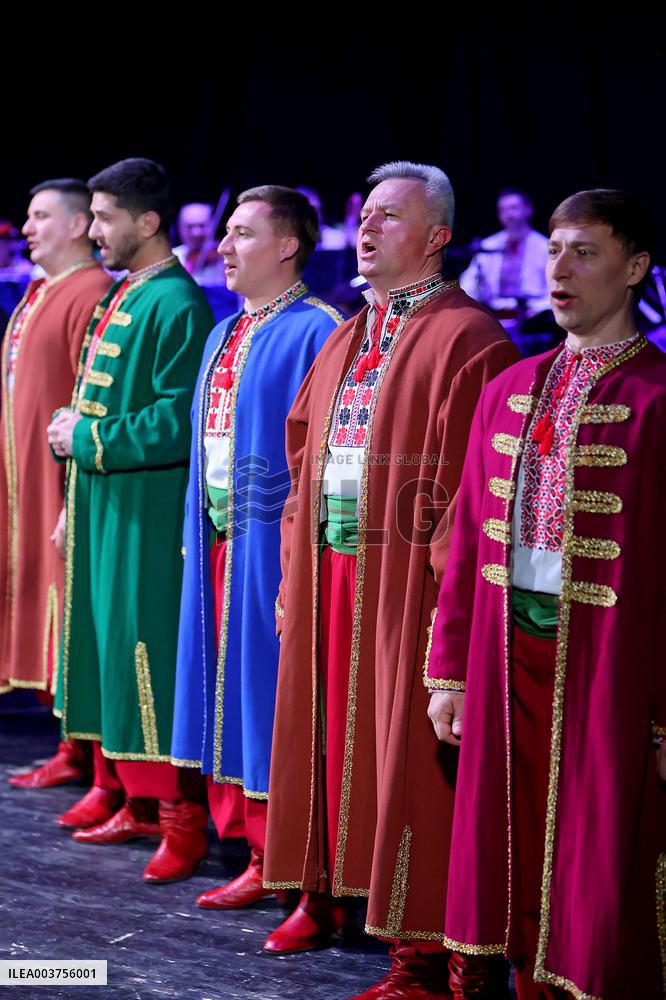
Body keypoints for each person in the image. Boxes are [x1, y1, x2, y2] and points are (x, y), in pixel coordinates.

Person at [262, 161, 517, 997]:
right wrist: (293, 572)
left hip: (408, 580)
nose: (367, 229)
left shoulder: (469, 337)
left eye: (391, 217)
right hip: (333, 566)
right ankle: (322, 888)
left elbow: (471, 497)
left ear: (438, 237)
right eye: (364, 215)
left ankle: (423, 947)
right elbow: (305, 458)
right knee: (323, 730)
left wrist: (453, 608)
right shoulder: (347, 333)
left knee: (404, 751)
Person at [427, 189, 666, 1000]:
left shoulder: (658, 400)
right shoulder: (513, 386)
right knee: (510, 834)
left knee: (601, 847)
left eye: (585, 253)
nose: (559, 270)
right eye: (555, 251)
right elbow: (467, 542)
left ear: (635, 268)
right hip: (506, 647)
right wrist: (450, 670)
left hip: (612, 662)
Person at [171, 185, 342, 910]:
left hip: (273, 544)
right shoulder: (221, 330)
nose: (224, 247)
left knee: (273, 698)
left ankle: (294, 861)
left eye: (242, 234)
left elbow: (321, 455)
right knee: (224, 689)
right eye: (226, 233)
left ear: (287, 246)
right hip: (219, 537)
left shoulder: (320, 328)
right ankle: (248, 843)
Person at [46, 159, 214, 883]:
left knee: (146, 651)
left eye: (107, 217)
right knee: (110, 645)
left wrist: (82, 439)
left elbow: (177, 419)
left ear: (148, 223)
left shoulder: (177, 302)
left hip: (147, 511)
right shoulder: (126, 295)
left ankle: (180, 817)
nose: (96, 230)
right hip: (104, 501)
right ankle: (136, 801)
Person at [2, 180, 111, 789]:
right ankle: (67, 745)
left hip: (61, 485)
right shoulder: (41, 291)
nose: (26, 227)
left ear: (76, 226)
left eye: (40, 215)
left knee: (69, 621)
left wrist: (70, 494)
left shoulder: (92, 291)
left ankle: (89, 757)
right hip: (24, 484)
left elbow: (88, 394)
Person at [459, 189, 550, 321]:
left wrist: (539, 309)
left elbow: (556, 289)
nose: (509, 215)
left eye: (513, 208)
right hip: (494, 316)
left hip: (535, 317)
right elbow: (468, 284)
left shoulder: (545, 247)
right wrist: (478, 293)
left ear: (528, 210)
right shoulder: (488, 246)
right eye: (503, 210)